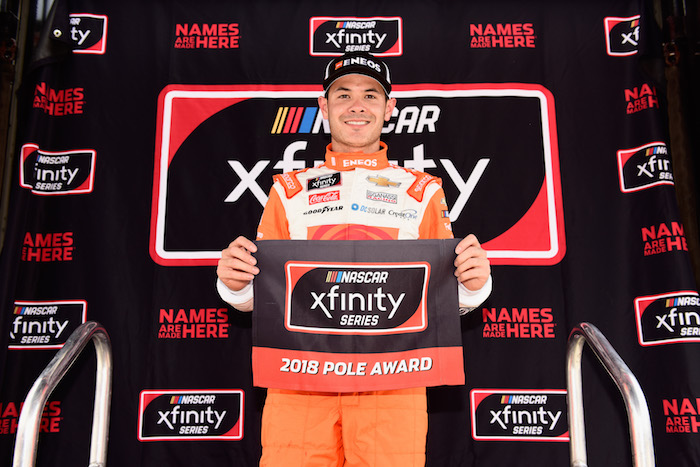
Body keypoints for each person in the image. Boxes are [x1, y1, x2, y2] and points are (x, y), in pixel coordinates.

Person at [217, 51, 492, 467]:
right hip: (300, 379)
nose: (357, 105)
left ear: (389, 107)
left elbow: (441, 299)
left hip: (393, 380)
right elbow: (264, 298)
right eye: (343, 94)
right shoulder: (288, 191)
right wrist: (235, 286)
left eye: (370, 95)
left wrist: (473, 287)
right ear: (324, 106)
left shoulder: (422, 191)